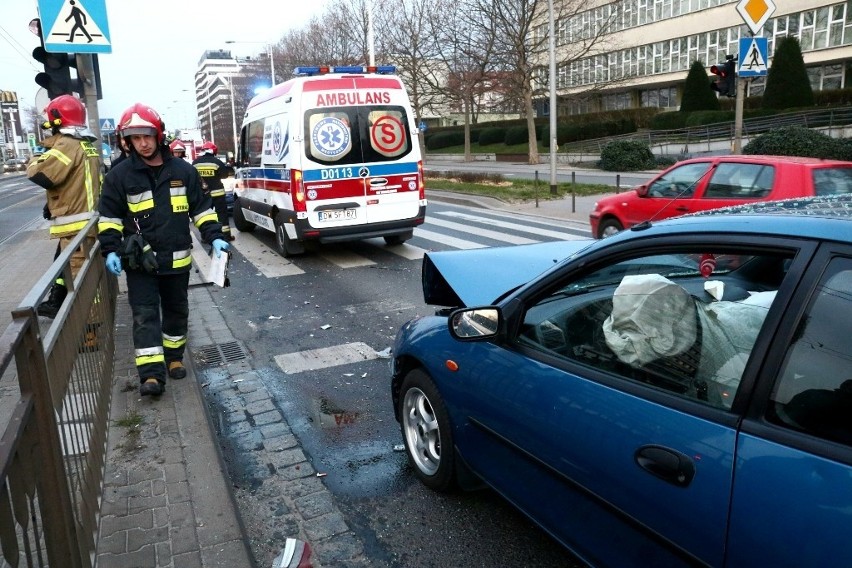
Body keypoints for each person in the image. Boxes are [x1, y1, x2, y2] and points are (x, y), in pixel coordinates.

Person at [97, 103, 230, 397]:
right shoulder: (119, 177)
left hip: (176, 259)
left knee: (176, 312)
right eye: (135, 138)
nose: (142, 143)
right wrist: (110, 250)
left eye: (147, 136)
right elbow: (110, 218)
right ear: (127, 140)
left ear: (159, 135)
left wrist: (215, 236)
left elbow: (203, 210)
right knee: (144, 315)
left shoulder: (183, 171)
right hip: (140, 262)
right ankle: (151, 375)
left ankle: (174, 359)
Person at [27, 94, 102, 319]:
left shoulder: (67, 144)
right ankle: (57, 302)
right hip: (85, 223)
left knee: (80, 281)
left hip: (77, 226)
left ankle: (89, 332)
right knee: (68, 271)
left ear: (57, 121)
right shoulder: (86, 144)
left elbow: (40, 173)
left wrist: (35, 158)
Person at [192, 141, 235, 240]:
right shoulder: (217, 162)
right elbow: (225, 175)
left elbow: (192, 177)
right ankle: (226, 235)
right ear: (214, 152)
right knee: (222, 214)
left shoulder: (195, 163)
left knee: (204, 216)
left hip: (203, 194)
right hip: (218, 194)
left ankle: (206, 236)